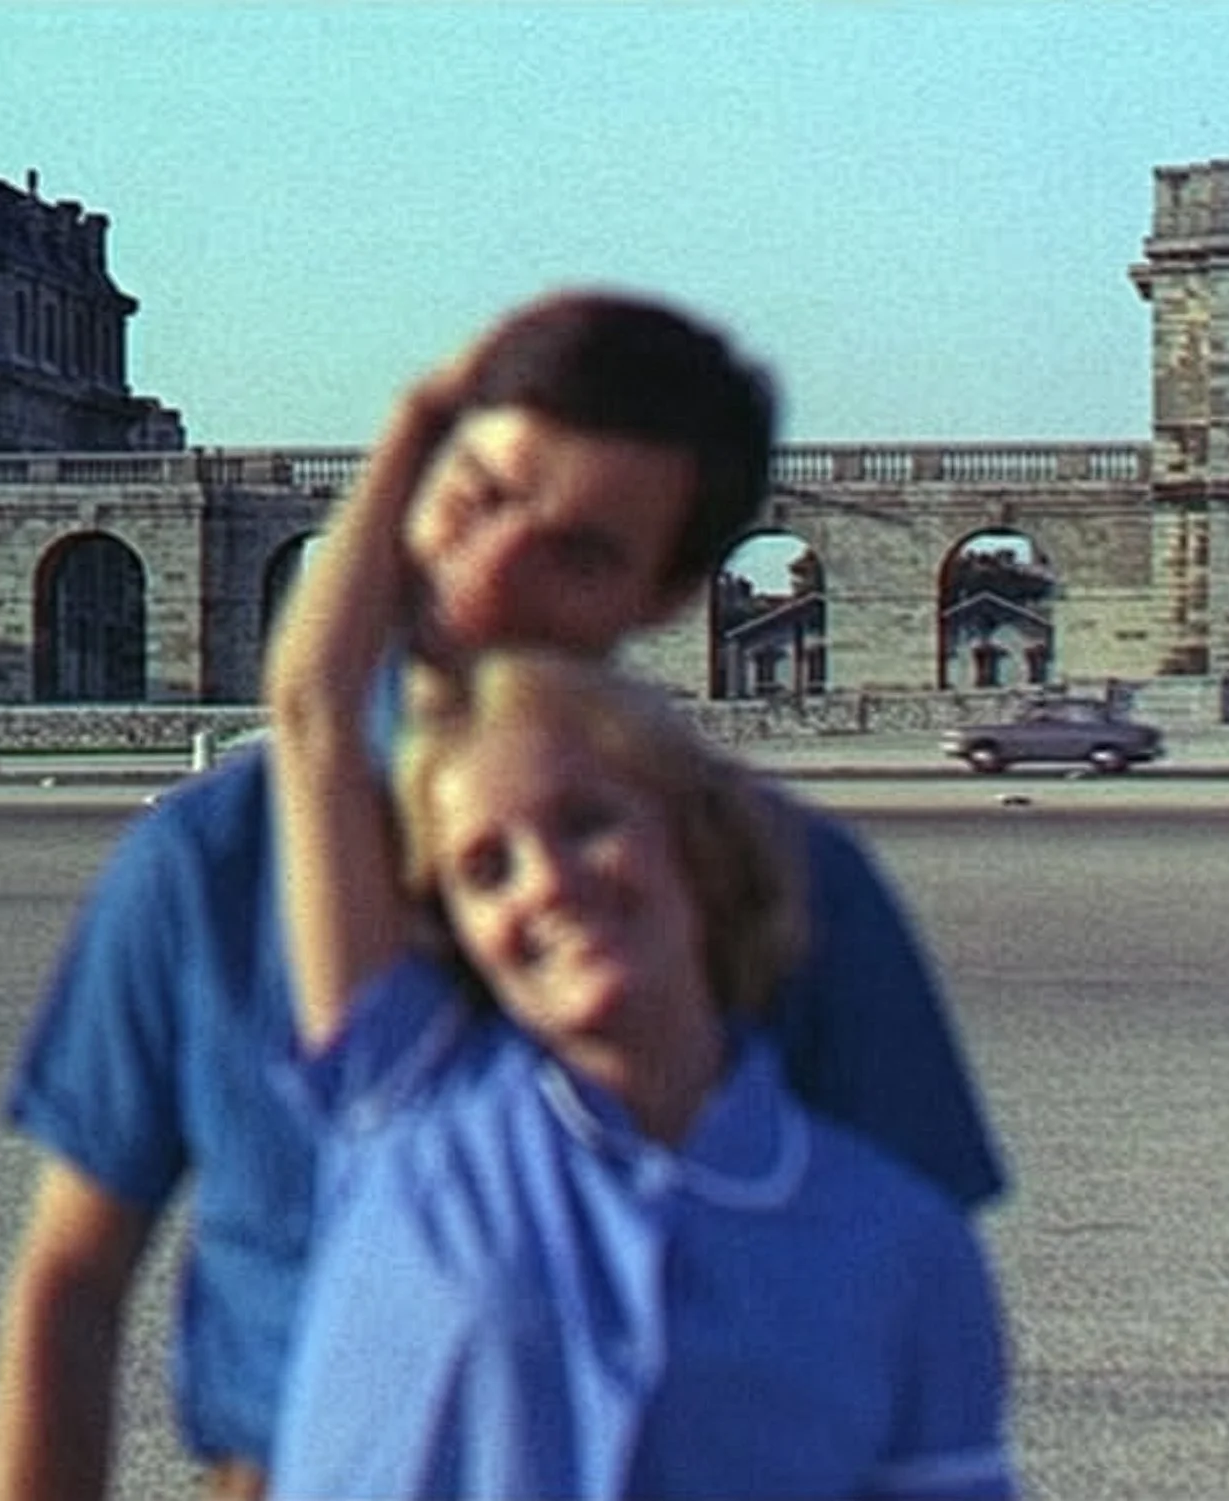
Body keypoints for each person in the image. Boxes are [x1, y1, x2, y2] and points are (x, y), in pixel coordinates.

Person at [0, 291, 1007, 1501]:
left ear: (670, 595)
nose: (483, 574)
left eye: (576, 553)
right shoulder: (215, 863)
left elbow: (911, 1289)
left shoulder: (799, 886)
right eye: (478, 497)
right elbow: (75, 1274)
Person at [260, 400, 1014, 1497]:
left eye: (586, 821)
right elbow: (315, 713)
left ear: (696, 839)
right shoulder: (401, 1107)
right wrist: (432, 419)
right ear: (453, 927)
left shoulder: (900, 1243)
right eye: (485, 868)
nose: (547, 882)